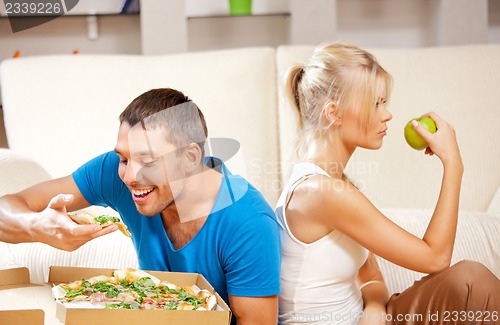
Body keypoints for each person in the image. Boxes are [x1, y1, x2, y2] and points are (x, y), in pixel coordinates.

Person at [0, 88, 281, 325]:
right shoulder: (116, 174)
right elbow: (7, 208)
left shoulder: (248, 223)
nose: (131, 177)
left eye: (147, 161)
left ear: (190, 157)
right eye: (124, 159)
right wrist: (37, 227)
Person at [276, 42, 500, 325]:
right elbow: (435, 258)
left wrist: (374, 309)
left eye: (384, 102)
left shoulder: (335, 183)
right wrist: (453, 164)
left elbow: (369, 274)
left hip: (366, 318)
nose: (387, 114)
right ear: (333, 113)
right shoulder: (322, 193)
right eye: (375, 103)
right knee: (471, 282)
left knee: (468, 284)